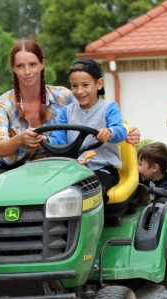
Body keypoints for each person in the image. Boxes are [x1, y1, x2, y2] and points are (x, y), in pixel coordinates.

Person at [0, 40, 140, 191]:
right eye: (20, 66)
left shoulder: (65, 96)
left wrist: (128, 132)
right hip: (12, 166)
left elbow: (98, 115)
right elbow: (0, 148)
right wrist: (21, 139)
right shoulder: (1, 104)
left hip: (51, 167)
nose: (27, 71)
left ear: (42, 64)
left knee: (75, 190)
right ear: (13, 68)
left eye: (33, 64)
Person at [47, 58, 126, 202]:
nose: (79, 91)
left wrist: (109, 132)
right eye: (74, 86)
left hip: (103, 167)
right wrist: (46, 140)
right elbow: (59, 140)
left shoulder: (109, 108)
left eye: (85, 85)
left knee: (91, 192)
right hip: (74, 169)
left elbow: (121, 131)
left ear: (99, 84)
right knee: (54, 192)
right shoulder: (66, 112)